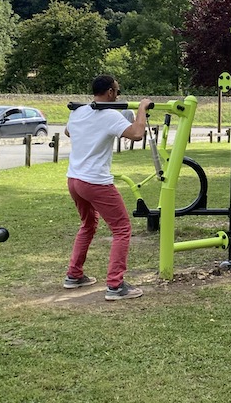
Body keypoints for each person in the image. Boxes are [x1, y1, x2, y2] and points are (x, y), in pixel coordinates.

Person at [63, 75, 152, 301]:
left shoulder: (78, 112)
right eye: (118, 91)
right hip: (94, 181)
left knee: (88, 224)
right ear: (111, 93)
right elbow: (137, 134)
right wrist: (142, 107)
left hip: (74, 179)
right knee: (122, 229)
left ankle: (74, 275)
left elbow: (68, 131)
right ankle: (116, 285)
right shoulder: (109, 115)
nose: (118, 96)